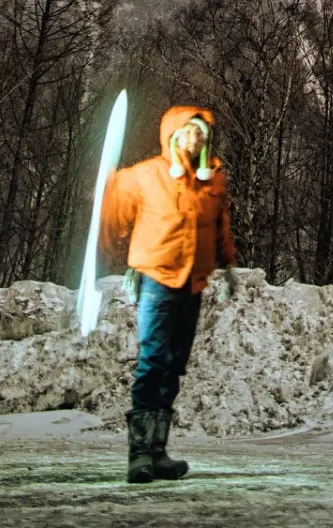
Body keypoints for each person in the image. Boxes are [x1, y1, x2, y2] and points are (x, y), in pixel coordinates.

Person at [100, 104, 237, 482]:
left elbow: (220, 225)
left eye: (201, 135)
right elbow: (114, 204)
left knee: (173, 367)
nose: (195, 140)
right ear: (174, 134)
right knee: (152, 361)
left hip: (193, 283)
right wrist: (105, 189)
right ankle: (139, 455)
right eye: (189, 133)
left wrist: (228, 265)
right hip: (158, 279)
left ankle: (158, 453)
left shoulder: (213, 181)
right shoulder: (148, 175)